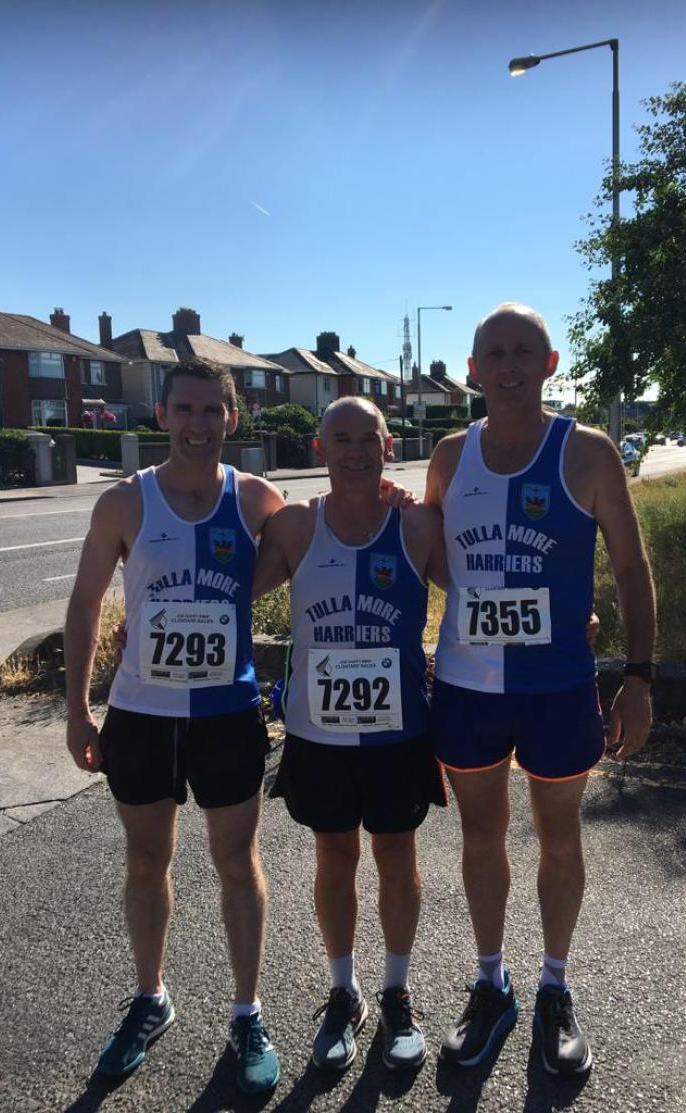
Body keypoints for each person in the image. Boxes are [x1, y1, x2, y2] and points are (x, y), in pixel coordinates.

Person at [425, 303, 655, 1076]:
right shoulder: (449, 455)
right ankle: (492, 983)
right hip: (467, 685)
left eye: (523, 350)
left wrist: (638, 677)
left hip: (556, 686)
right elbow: (434, 558)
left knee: (559, 836)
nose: (509, 365)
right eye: (494, 353)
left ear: (550, 363)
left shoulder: (586, 452)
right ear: (472, 370)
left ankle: (554, 986)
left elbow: (630, 566)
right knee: (479, 835)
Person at [65, 358, 285, 1095]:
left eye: (211, 410)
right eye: (184, 409)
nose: (198, 424)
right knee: (145, 859)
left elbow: (317, 541)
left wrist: (389, 494)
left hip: (226, 715)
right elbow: (84, 604)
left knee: (236, 861)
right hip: (142, 715)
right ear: (161, 416)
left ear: (232, 418)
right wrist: (78, 708)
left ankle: (247, 1012)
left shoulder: (255, 497)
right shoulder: (125, 502)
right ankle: (150, 997)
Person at [254, 396, 447, 1073]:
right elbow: (228, 591)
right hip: (320, 731)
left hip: (398, 729)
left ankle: (397, 992)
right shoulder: (294, 526)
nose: (357, 452)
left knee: (395, 852)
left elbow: (480, 590)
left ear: (388, 447)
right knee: (334, 856)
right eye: (343, 439)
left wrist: (573, 618)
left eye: (369, 439)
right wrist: (139, 619)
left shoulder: (417, 523)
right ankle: (344, 992)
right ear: (321, 449)